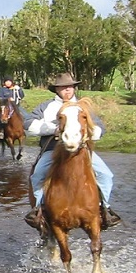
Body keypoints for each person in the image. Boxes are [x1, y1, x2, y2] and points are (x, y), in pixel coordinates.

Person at [23, 72, 121, 230]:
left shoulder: (83, 107)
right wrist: (53, 128)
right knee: (38, 175)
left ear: (74, 88)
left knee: (105, 174)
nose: (66, 90)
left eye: (69, 87)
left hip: (81, 152)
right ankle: (39, 211)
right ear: (56, 90)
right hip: (52, 150)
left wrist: (88, 133)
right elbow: (28, 123)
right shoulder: (46, 107)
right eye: (62, 87)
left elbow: (99, 127)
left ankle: (105, 209)